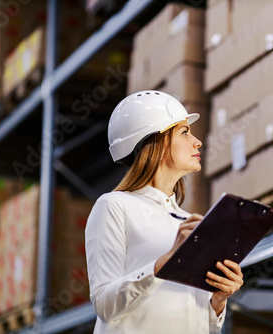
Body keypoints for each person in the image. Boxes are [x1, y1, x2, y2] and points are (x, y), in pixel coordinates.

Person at [85, 90, 244, 333]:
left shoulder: (187, 221)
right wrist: (162, 264)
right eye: (184, 132)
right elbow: (104, 305)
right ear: (155, 142)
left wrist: (218, 301)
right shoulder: (115, 206)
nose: (197, 141)